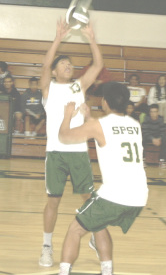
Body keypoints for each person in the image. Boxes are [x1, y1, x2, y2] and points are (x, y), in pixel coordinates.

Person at [58, 81, 148, 275]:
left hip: (115, 196)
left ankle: (63, 271)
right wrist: (89, 116)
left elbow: (64, 136)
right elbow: (107, 130)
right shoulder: (135, 124)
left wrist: (67, 116)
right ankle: (107, 271)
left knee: (75, 229)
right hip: (139, 196)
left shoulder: (101, 126)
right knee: (97, 223)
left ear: (105, 102)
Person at [39, 18, 103, 267]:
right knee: (53, 201)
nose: (68, 65)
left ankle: (96, 238)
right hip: (55, 152)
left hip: (78, 152)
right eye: (62, 63)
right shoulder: (48, 88)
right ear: (55, 72)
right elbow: (45, 65)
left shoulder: (79, 86)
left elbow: (98, 65)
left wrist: (91, 38)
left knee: (89, 199)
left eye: (69, 63)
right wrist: (58, 38)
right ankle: (46, 246)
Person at [142, 103, 166, 168]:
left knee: (165, 138)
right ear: (149, 112)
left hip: (158, 137)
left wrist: (159, 139)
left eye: (155, 112)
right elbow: (145, 132)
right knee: (141, 138)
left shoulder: (161, 119)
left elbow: (163, 132)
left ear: (158, 112)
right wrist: (152, 139)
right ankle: (142, 159)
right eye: (151, 112)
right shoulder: (146, 119)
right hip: (148, 136)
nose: (153, 114)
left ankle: (162, 160)